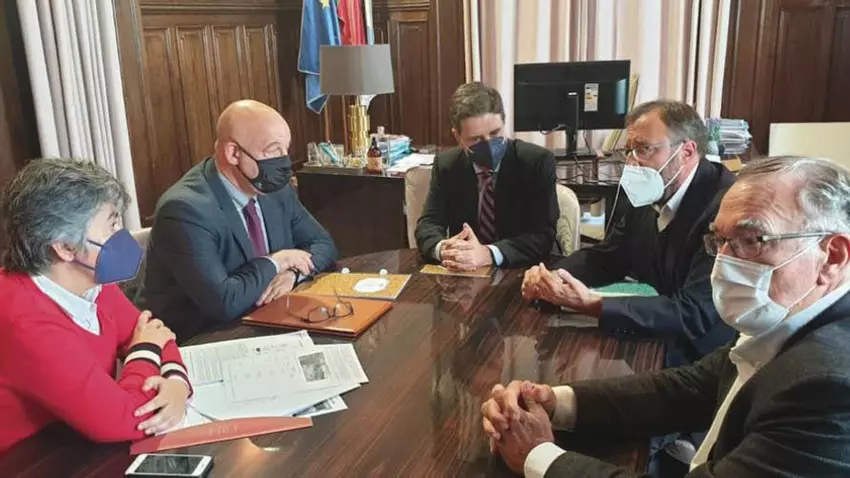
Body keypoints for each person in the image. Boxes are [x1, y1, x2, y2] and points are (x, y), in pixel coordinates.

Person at [482, 156, 850, 477]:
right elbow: (690, 389)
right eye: (719, 241)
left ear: (832, 257)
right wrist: (554, 401)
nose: (723, 262)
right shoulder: (789, 318)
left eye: (751, 240)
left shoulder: (829, 387)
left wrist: (538, 456)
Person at [522, 100, 736, 367]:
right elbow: (609, 256)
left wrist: (593, 304)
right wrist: (554, 277)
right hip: (658, 332)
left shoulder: (725, 210)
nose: (632, 163)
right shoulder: (647, 190)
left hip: (707, 355)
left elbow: (694, 312)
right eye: (629, 151)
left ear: (687, 151)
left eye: (644, 149)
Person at [0, 159, 192, 452]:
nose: (122, 235)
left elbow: (152, 331)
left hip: (71, 437)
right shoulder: (24, 320)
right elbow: (123, 419)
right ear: (66, 248)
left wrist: (177, 383)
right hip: (28, 459)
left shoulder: (90, 280)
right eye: (112, 225)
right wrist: (146, 349)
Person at [144, 100, 337, 340]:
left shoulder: (273, 188)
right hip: (200, 338)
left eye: (285, 149)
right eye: (273, 150)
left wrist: (292, 274)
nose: (284, 161)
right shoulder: (185, 210)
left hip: (269, 320)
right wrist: (278, 261)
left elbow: (323, 243)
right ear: (234, 153)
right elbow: (224, 302)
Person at [415, 82, 559, 271]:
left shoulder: (536, 162)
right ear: (457, 137)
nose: (489, 144)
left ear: (504, 124)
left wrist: (489, 253)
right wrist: (444, 249)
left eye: (495, 133)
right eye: (476, 139)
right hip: (467, 271)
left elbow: (543, 236)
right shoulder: (447, 165)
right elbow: (428, 224)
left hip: (522, 269)